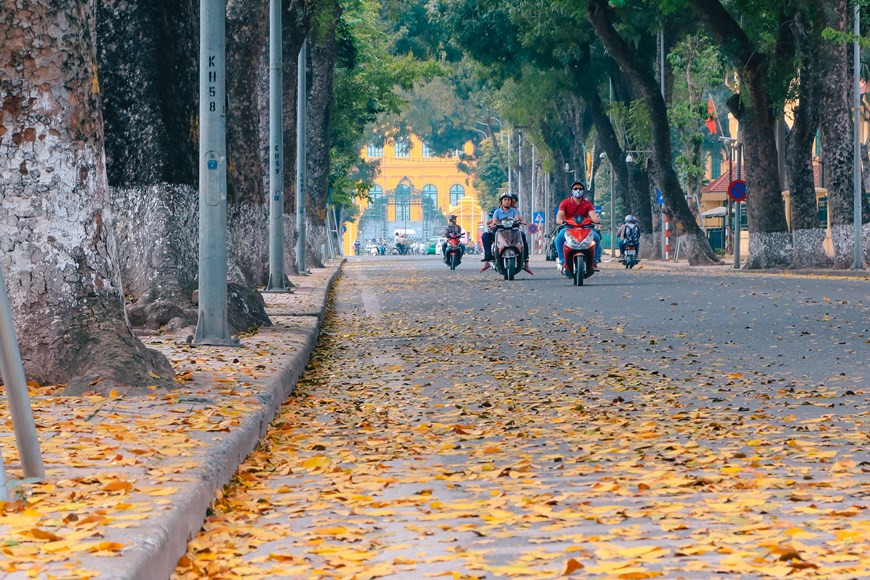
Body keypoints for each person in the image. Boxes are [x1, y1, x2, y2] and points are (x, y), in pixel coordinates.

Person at [481, 193, 533, 274]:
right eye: (505, 200)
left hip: (512, 231)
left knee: (522, 235)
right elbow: (493, 221)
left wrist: (521, 221)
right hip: (499, 231)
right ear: (501, 202)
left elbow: (518, 218)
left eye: (509, 200)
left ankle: (525, 259)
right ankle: (489, 257)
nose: (507, 202)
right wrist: (493, 224)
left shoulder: (514, 211)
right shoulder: (496, 211)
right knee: (485, 236)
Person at [554, 181, 601, 271]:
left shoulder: (587, 204)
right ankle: (563, 262)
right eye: (575, 189)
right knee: (559, 239)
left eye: (580, 188)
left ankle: (594, 261)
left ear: (583, 191)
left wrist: (595, 220)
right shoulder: (565, 203)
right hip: (569, 228)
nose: (578, 190)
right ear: (572, 191)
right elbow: (559, 216)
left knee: (596, 237)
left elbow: (593, 216)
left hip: (585, 228)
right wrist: (560, 221)